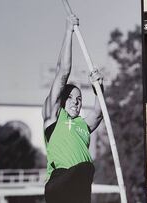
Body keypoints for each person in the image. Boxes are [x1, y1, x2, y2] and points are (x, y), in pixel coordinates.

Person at [42, 15, 103, 203]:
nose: (75, 102)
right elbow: (62, 72)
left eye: (79, 99)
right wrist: (69, 31)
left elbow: (99, 113)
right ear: (61, 100)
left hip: (81, 186)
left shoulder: (83, 126)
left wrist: (99, 88)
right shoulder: (53, 116)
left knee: (86, 169)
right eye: (69, 97)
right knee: (86, 167)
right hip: (60, 180)